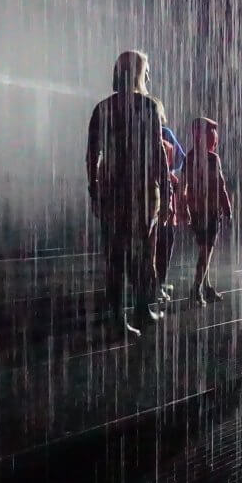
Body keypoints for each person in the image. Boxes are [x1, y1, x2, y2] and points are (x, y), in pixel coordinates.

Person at [86, 50, 172, 336]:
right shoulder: (149, 107)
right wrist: (167, 194)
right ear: (139, 73)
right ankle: (142, 308)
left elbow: (91, 154)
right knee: (143, 253)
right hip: (142, 191)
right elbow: (159, 155)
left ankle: (116, 316)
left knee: (114, 256)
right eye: (145, 70)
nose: (148, 75)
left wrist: (94, 189)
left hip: (112, 189)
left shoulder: (103, 108)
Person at [184, 116, 233, 305]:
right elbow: (220, 185)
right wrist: (227, 209)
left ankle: (207, 286)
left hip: (196, 210)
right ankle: (196, 288)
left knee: (204, 249)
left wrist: (185, 207)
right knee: (206, 250)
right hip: (210, 210)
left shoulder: (189, 156)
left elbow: (185, 184)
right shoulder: (213, 158)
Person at [155, 128, 188, 302]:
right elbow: (180, 160)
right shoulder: (163, 132)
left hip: (143, 194)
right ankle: (158, 282)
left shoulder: (132, 130)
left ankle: (148, 283)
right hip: (163, 191)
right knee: (165, 239)